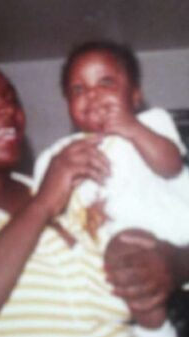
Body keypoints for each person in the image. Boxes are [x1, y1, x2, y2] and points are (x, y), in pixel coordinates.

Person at [0, 52, 189, 337]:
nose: (8, 109)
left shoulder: (80, 189)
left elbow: (156, 229)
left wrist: (174, 264)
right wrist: (42, 205)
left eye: (10, 98)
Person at [33, 40, 189, 332]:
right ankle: (154, 328)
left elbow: (171, 165)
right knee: (125, 267)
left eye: (106, 82)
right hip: (112, 248)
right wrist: (67, 179)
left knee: (133, 254)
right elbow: (48, 210)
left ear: (135, 96)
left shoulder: (151, 123)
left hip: (169, 230)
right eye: (78, 89)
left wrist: (133, 128)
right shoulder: (61, 153)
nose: (92, 94)